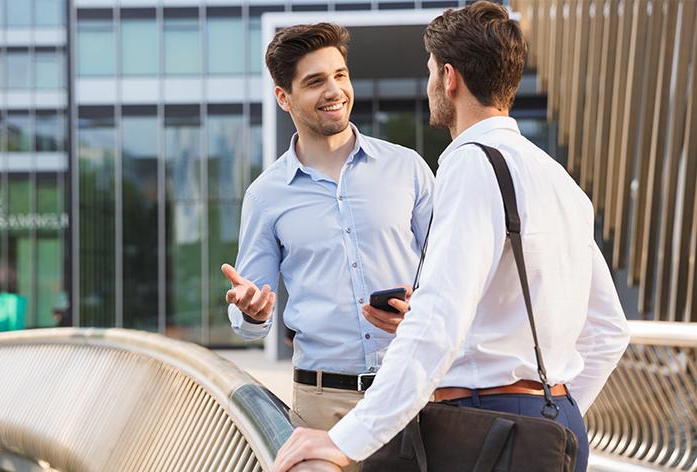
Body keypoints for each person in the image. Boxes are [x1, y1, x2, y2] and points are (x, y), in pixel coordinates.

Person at [271, 3, 631, 472]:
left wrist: (346, 442)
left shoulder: (471, 163)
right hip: (554, 423)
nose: (427, 86)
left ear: (449, 77)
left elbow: (439, 323)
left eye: (428, 73)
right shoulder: (556, 176)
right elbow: (608, 330)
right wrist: (553, 418)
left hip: (486, 430)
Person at [222, 21, 434, 469]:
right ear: (284, 97)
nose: (334, 89)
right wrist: (251, 312)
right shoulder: (266, 196)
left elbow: (451, 276)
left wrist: (424, 309)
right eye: (315, 81)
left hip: (410, 391)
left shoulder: (408, 169)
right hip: (320, 406)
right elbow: (249, 311)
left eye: (340, 75)